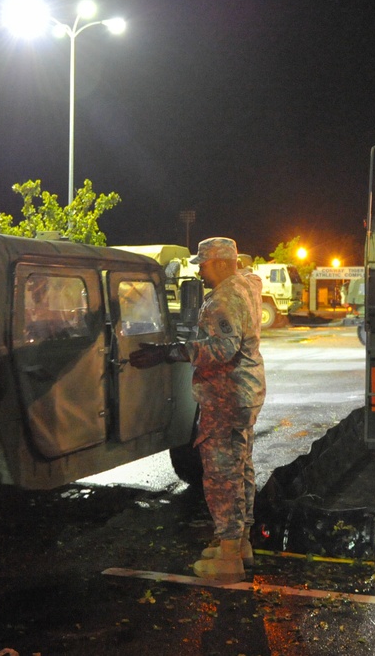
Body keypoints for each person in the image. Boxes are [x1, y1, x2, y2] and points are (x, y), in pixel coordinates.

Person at [129, 237, 265, 582]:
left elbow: (221, 349)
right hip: (245, 392)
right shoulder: (247, 286)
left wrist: (169, 352)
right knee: (240, 466)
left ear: (220, 262)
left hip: (227, 395)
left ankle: (229, 558)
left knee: (222, 474)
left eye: (202, 264)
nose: (199, 270)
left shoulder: (225, 297)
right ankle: (239, 542)